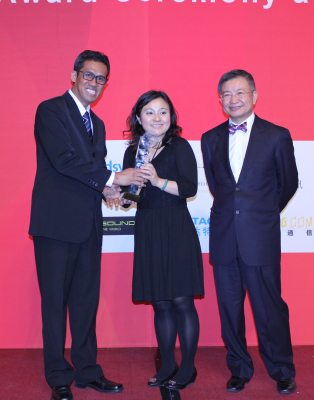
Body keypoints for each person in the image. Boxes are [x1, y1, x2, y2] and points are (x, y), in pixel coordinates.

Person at [29, 50, 147, 400]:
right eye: (89, 75)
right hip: (55, 224)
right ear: (74, 75)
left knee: (85, 302)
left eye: (101, 78)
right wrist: (114, 177)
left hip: (89, 225)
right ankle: (58, 376)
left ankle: (87, 371)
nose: (94, 82)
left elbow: (90, 173)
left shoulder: (98, 124)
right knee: (55, 303)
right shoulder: (50, 110)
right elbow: (64, 161)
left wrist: (108, 189)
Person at [200, 69, 298, 395]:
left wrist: (262, 214)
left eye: (240, 92)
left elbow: (288, 183)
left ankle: (282, 369)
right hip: (224, 236)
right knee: (230, 309)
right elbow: (218, 186)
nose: (234, 99)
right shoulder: (210, 138)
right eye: (226, 94)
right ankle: (239, 368)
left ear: (254, 96)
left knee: (269, 308)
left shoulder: (277, 135)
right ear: (220, 100)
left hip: (260, 236)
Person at [121, 90, 204, 391]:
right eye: (150, 112)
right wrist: (124, 196)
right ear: (138, 118)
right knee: (160, 303)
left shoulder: (179, 146)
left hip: (176, 226)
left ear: (171, 117)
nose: (157, 118)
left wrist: (157, 181)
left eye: (163, 112)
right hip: (148, 228)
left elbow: (189, 189)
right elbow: (131, 197)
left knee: (181, 300)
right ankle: (168, 363)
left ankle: (188, 367)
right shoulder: (132, 151)